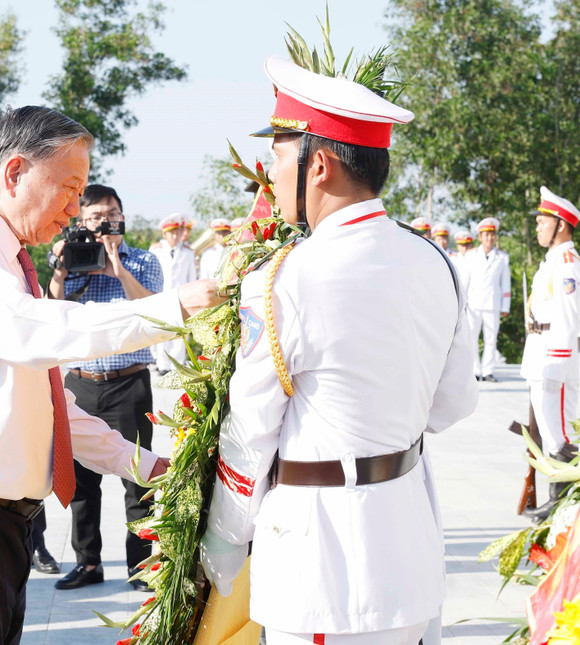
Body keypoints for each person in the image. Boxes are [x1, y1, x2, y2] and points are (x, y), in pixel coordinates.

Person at [0, 105, 221, 645]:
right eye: (67, 187)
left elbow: (48, 406)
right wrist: (169, 309)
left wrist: (147, 464)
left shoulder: (10, 262)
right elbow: (38, 332)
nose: (75, 207)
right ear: (15, 172)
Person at [200, 51, 478, 645]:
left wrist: (223, 542)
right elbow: (453, 405)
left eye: (277, 156)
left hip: (323, 571)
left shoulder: (283, 279)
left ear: (318, 164)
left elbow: (251, 432)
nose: (270, 175)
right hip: (409, 549)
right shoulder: (440, 264)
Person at [47, 183, 162, 592]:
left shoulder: (144, 260)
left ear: (122, 217)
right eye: (93, 216)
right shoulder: (70, 256)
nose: (101, 223)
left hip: (128, 383)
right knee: (80, 482)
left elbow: (155, 313)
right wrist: (62, 269)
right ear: (80, 221)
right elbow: (52, 306)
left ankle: (142, 566)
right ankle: (88, 562)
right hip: (80, 384)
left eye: (109, 215)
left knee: (137, 479)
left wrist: (118, 268)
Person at [520, 186, 580, 522]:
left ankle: (565, 508)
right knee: (550, 434)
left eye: (544, 221)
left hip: (557, 361)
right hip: (541, 355)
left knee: (562, 437)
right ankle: (558, 505)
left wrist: (554, 367)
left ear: (561, 225)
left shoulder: (568, 264)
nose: (539, 226)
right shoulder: (552, 262)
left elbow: (569, 320)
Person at [463, 217, 511, 382]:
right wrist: (462, 303)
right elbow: (465, 281)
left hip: (493, 303)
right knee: (472, 338)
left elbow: (505, 284)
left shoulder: (502, 257)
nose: (490, 238)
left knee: (491, 339)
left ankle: (488, 370)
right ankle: (475, 370)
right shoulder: (470, 256)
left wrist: (506, 306)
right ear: (480, 237)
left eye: (492, 235)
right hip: (473, 304)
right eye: (486, 235)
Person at [151, 214, 197, 374]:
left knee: (179, 332)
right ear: (165, 234)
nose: (175, 236)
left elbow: (191, 277)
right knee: (161, 331)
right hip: (160, 296)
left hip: (181, 297)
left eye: (178, 232)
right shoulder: (156, 250)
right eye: (172, 232)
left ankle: (177, 365)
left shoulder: (187, 252)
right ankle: (163, 365)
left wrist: (192, 296)